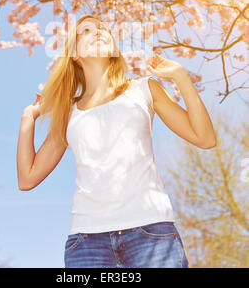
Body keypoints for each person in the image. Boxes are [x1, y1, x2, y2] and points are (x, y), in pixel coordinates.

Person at [17, 14, 217, 268]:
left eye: (103, 29)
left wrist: (180, 76)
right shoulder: (68, 113)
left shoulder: (144, 89)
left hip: (151, 233)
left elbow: (205, 138)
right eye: (86, 30)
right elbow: (27, 178)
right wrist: (28, 118)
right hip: (86, 243)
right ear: (75, 54)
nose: (99, 31)